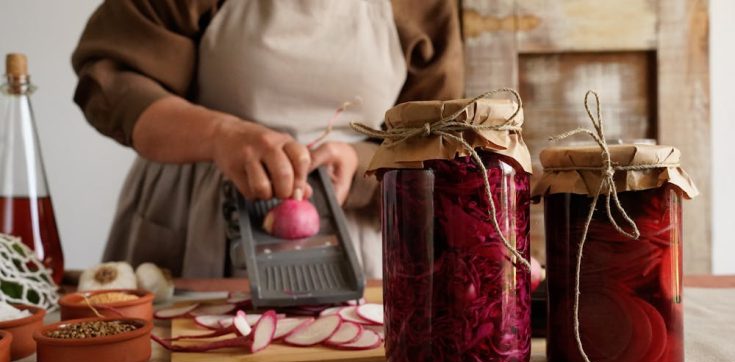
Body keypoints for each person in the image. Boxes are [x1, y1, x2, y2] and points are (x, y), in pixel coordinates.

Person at [72, 0, 464, 278]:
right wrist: (219, 134)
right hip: (194, 218)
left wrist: (361, 163)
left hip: (353, 231)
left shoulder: (425, 6)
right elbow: (111, 78)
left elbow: (437, 137)